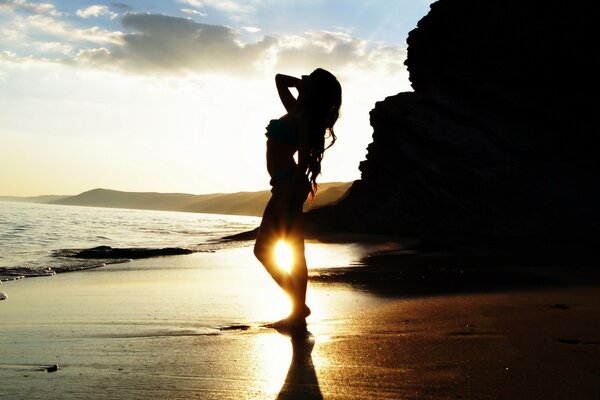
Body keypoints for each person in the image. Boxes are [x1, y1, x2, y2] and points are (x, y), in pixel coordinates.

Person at [254, 68, 342, 330]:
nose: (302, 78)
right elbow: (280, 79)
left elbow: (303, 162)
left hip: (288, 187)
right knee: (283, 250)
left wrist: (288, 195)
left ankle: (297, 308)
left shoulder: (305, 120)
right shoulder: (297, 110)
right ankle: (298, 307)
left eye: (309, 78)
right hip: (282, 186)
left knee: (275, 250)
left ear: (314, 91)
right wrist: (305, 84)